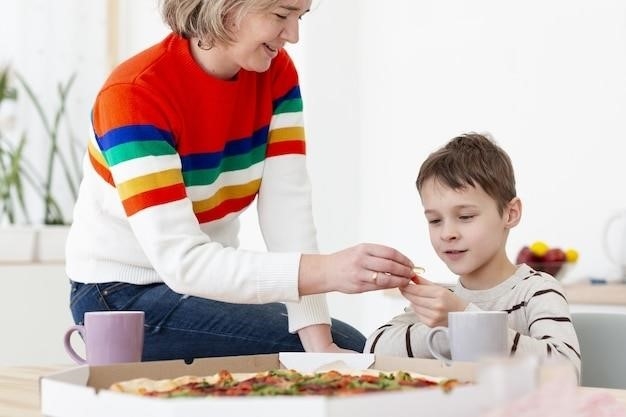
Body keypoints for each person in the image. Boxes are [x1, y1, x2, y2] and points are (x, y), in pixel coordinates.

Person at [66, 0, 417, 362]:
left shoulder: (274, 73)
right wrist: (328, 271)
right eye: (281, 16)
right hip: (119, 297)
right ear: (225, 7)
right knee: (356, 345)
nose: (293, 36)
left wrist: (317, 339)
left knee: (344, 349)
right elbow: (183, 263)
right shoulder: (135, 94)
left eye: (300, 17)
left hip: (204, 289)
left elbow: (289, 215)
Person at [364, 133, 581, 376]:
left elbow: (566, 370)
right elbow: (374, 348)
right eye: (435, 220)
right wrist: (447, 328)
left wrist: (465, 321)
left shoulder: (537, 291)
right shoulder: (442, 300)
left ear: (510, 214)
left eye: (465, 217)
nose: (447, 233)